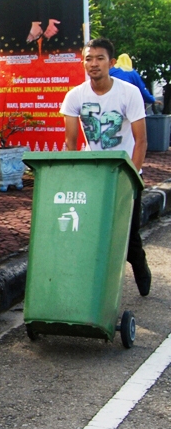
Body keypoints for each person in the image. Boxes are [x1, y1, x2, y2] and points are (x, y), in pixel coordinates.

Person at [60, 37, 151, 296]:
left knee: (128, 239)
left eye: (99, 58)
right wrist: (72, 176)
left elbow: (141, 141)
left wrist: (131, 177)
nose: (93, 63)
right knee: (91, 233)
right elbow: (71, 143)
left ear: (111, 63)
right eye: (88, 59)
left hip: (126, 172)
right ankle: (97, 286)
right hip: (94, 174)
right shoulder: (75, 96)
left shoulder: (128, 93)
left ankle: (140, 264)